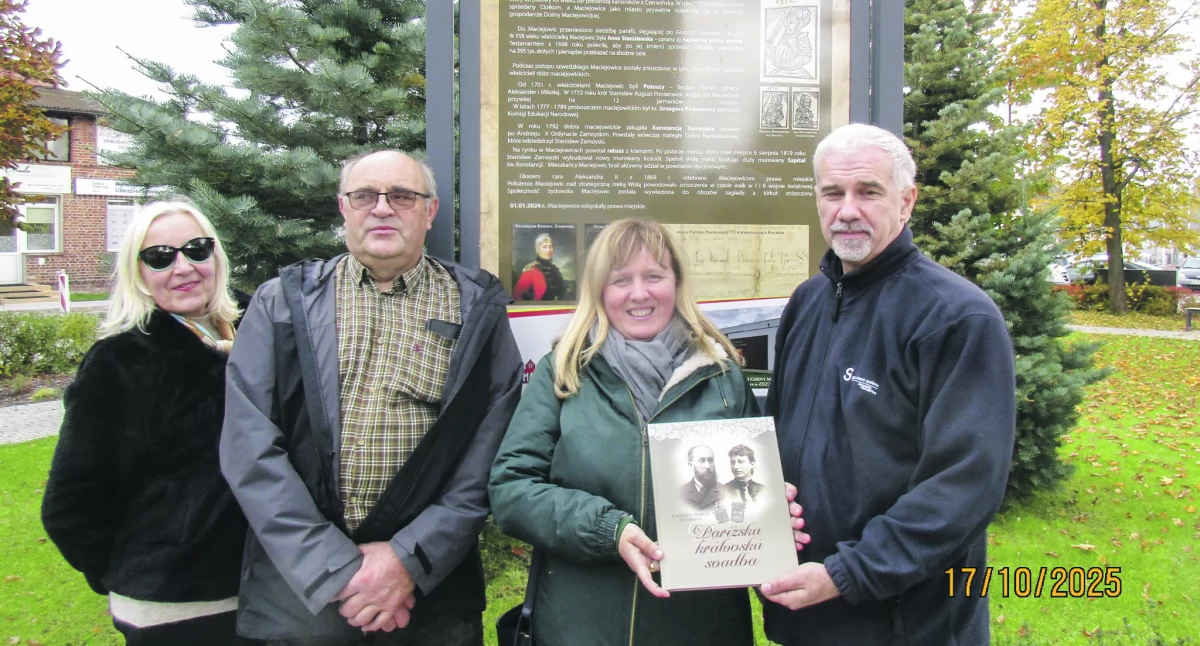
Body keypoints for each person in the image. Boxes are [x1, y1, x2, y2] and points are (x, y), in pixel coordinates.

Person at [220, 151, 523, 645]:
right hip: (302, 597)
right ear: (344, 208)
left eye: (402, 196)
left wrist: (408, 559)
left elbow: (491, 449)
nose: (382, 208)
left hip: (431, 593)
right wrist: (334, 567)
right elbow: (249, 448)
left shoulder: (477, 311)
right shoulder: (281, 302)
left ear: (429, 212)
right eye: (365, 196)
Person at [490, 218, 806, 646]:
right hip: (581, 629)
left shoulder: (722, 376)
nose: (639, 293)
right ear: (600, 291)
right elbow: (511, 489)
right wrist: (610, 530)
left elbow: (745, 492)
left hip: (701, 630)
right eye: (621, 280)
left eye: (654, 276)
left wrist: (766, 517)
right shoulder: (563, 373)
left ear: (675, 282)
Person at [760, 123, 1017, 644]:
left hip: (906, 621)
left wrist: (848, 573)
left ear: (906, 201)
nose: (847, 209)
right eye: (832, 193)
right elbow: (781, 436)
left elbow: (964, 484)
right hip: (803, 612)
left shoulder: (956, 318)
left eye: (868, 192)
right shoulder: (806, 303)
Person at [41, 201, 257, 645]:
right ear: (137, 271)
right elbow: (72, 503)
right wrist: (129, 572)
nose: (184, 266)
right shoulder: (121, 362)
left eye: (197, 249)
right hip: (177, 605)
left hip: (263, 590)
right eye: (160, 256)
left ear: (216, 255)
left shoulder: (257, 329)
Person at [513, 232, 567, 300]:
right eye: (544, 247)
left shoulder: (556, 270)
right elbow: (516, 296)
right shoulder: (530, 270)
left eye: (550, 247)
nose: (548, 250)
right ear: (537, 250)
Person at [680, 445, 720, 509]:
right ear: (691, 465)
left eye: (710, 460)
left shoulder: (726, 491)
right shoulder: (680, 493)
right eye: (702, 460)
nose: (708, 466)